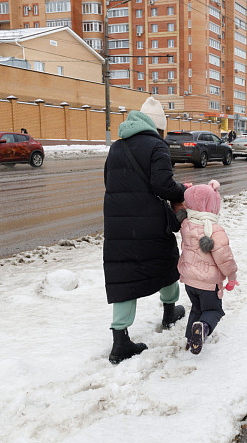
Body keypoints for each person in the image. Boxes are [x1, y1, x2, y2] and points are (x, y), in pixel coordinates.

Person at [103, 95, 189, 364]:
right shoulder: (157, 146)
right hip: (149, 220)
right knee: (166, 262)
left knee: (124, 275)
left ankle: (120, 340)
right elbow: (162, 185)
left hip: (118, 221)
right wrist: (183, 191)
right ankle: (168, 311)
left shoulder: (116, 147)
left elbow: (109, 180)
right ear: (159, 126)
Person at [177, 180, 238, 355]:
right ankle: (202, 329)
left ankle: (191, 339)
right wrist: (232, 277)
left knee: (196, 309)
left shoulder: (186, 225)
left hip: (189, 281)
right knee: (213, 310)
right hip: (209, 285)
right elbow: (224, 258)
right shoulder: (214, 230)